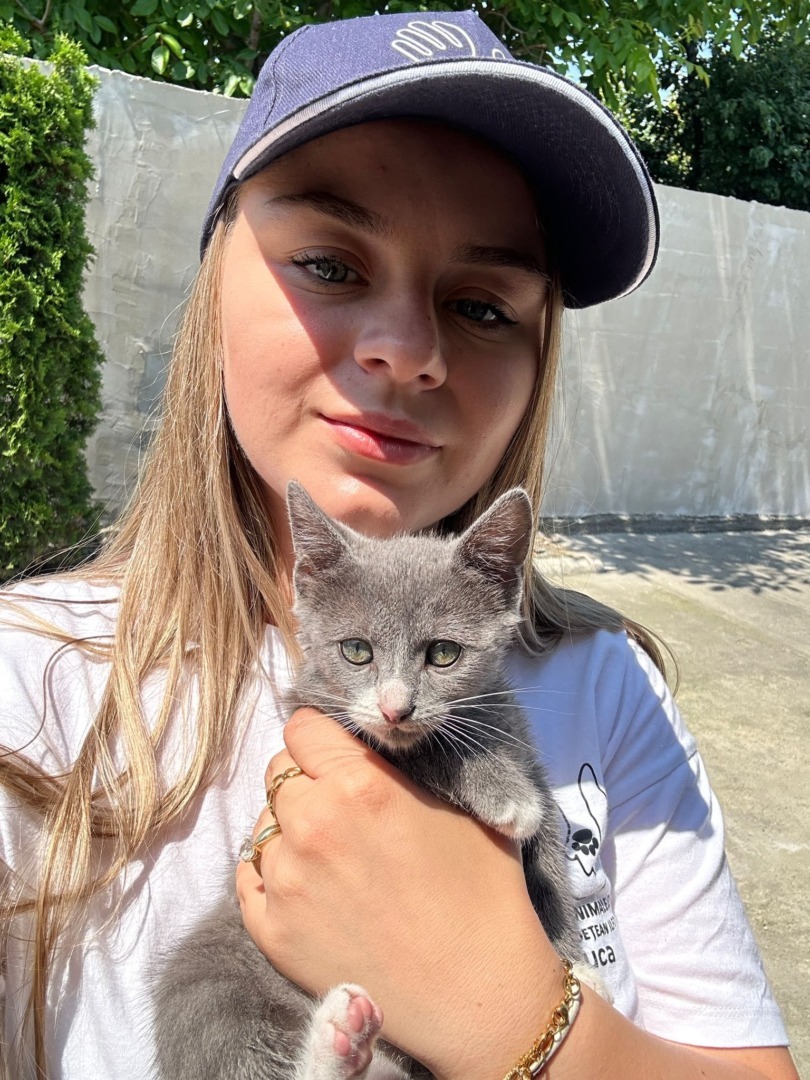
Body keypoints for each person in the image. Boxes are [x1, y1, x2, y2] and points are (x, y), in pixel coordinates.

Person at [0, 10, 798, 1080]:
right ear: (214, 282)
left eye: (480, 305)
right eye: (330, 264)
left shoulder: (610, 691)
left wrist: (517, 1015)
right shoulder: (28, 690)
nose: (408, 351)